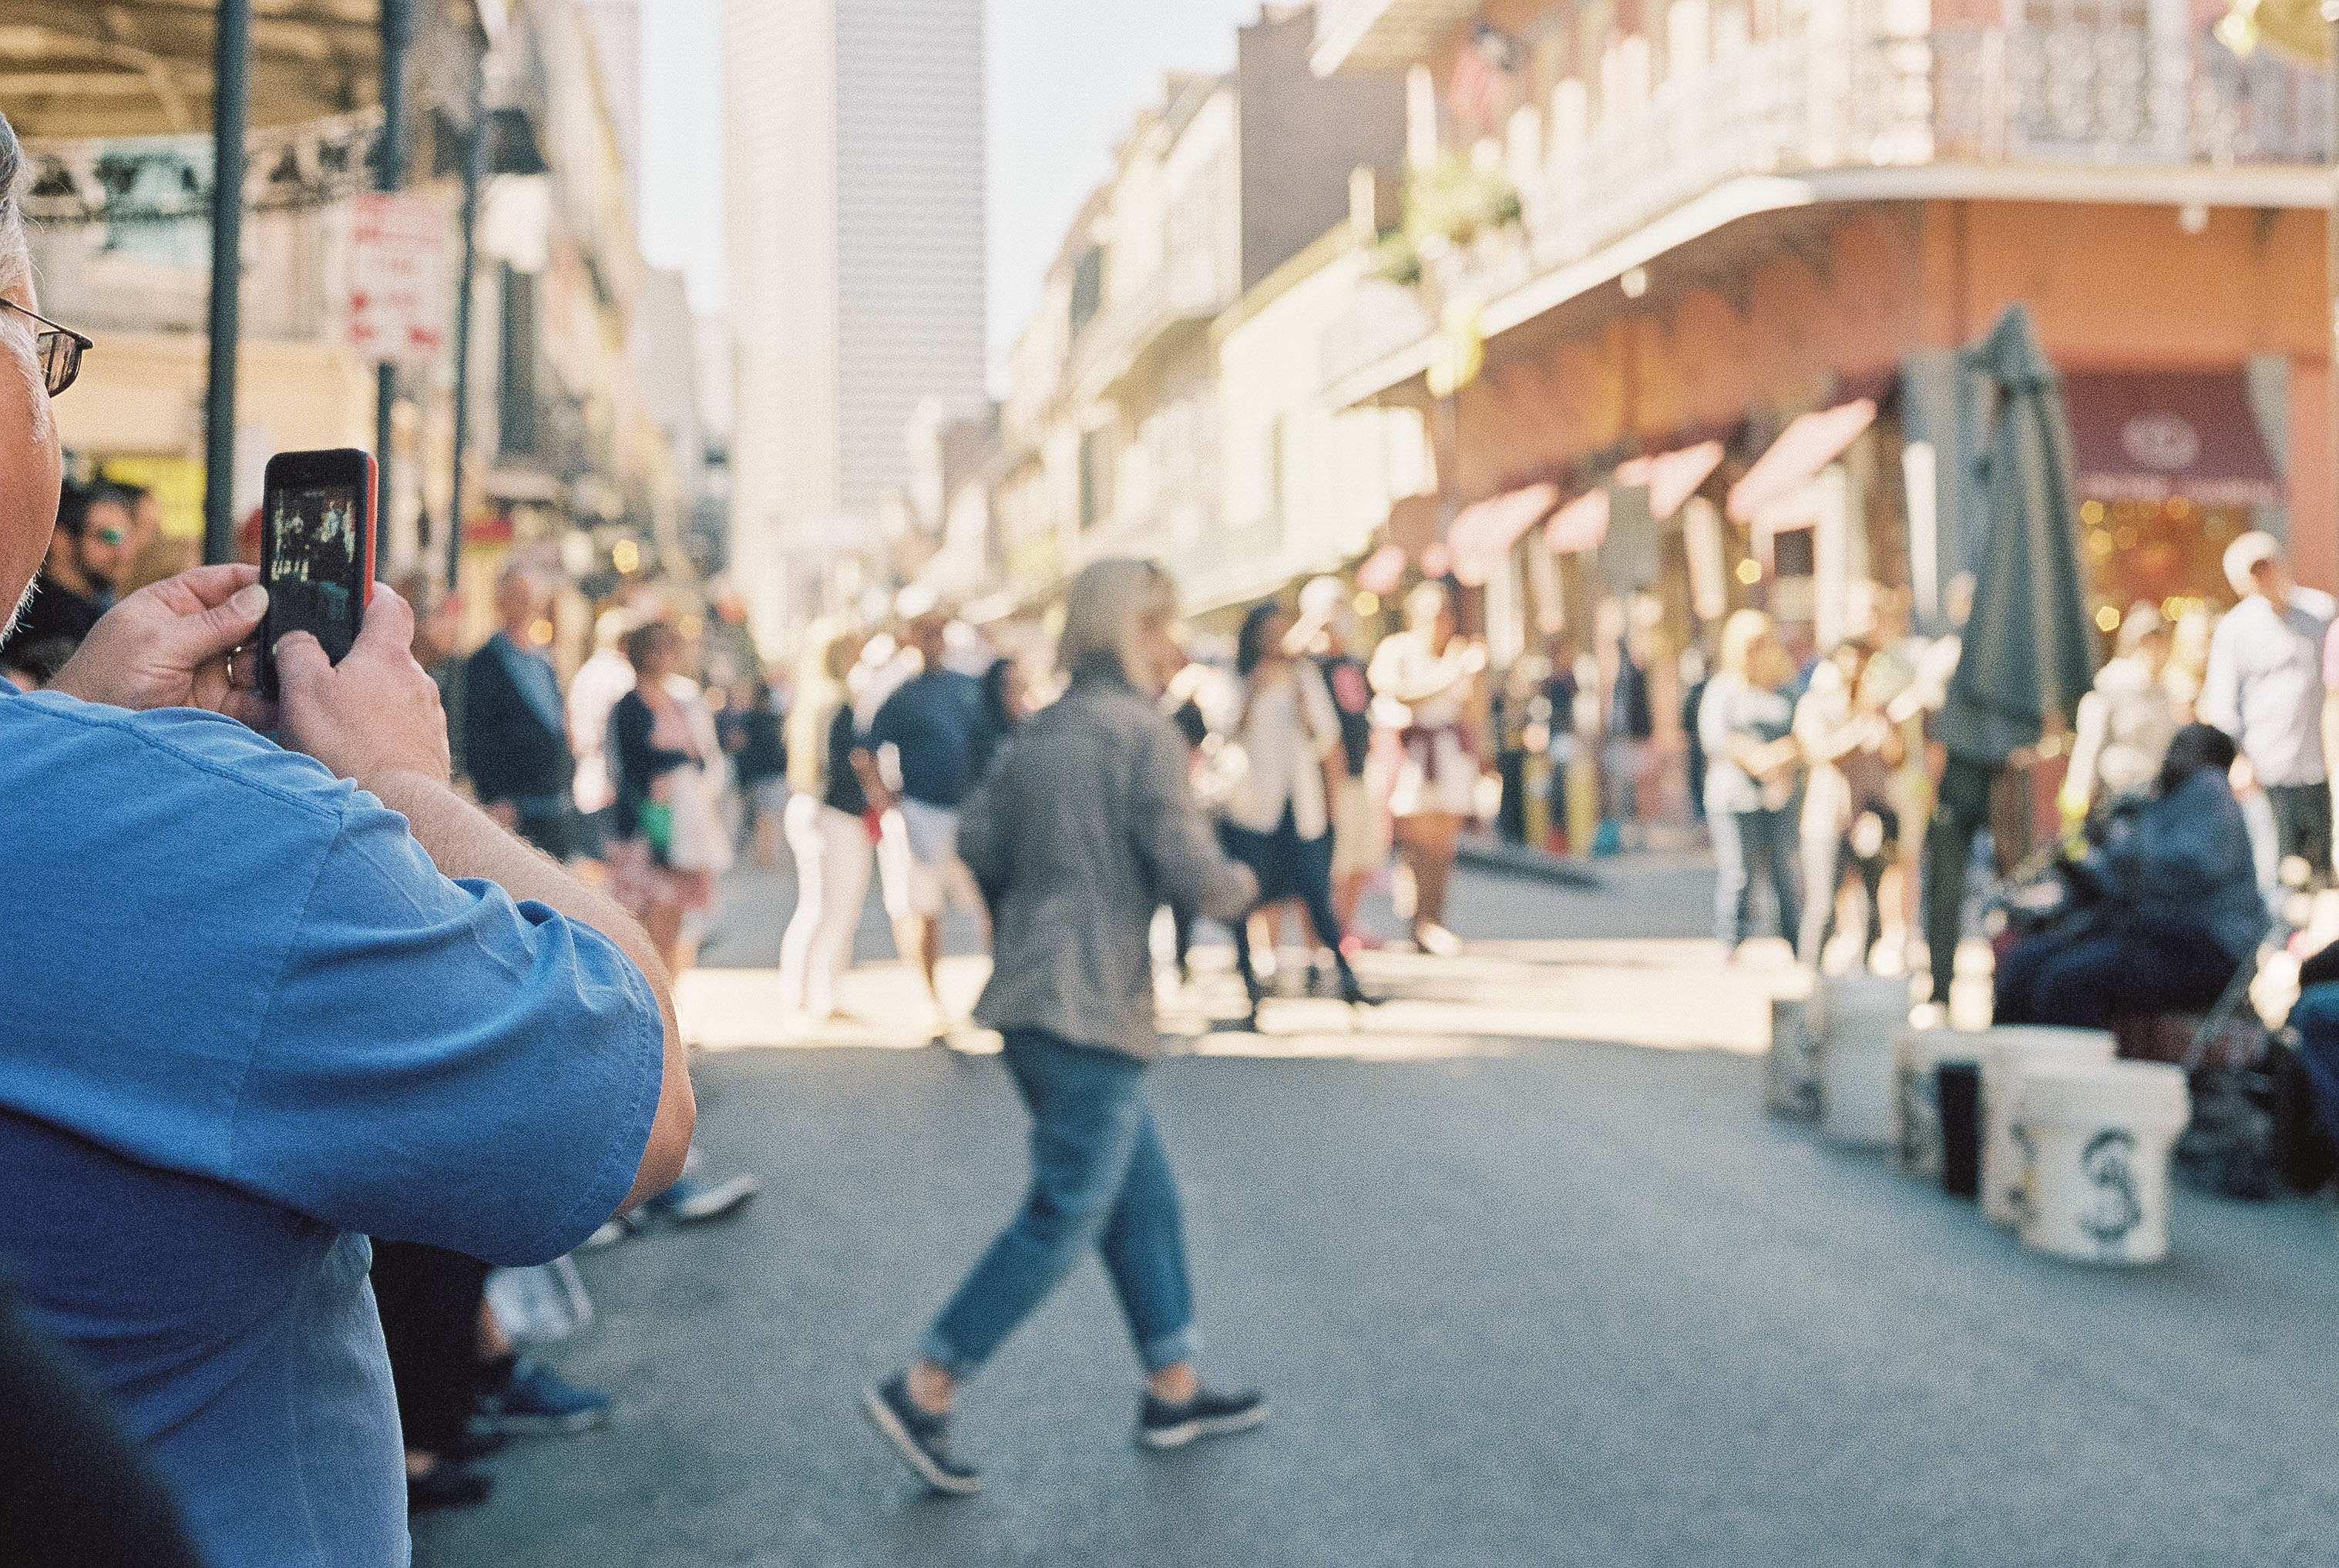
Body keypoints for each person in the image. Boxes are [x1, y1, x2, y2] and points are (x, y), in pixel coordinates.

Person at [0, 112, 694, 1562]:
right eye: (39, 338)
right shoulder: (243, 845)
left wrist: (68, 729)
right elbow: (637, 1105)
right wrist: (400, 785)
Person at [862, 559, 1265, 1496]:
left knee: (1141, 1197)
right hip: (1087, 1003)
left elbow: (977, 841)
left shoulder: (1039, 728)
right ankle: (925, 1384)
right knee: (1064, 1211)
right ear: (1128, 631)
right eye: (1161, 629)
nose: (1173, 649)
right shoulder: (1145, 734)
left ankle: (1172, 1385)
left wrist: (1043, 892)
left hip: (1034, 998)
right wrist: (1251, 883)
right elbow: (1190, 870)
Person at [1994, 724, 2265, 1029]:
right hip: (2157, 938)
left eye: (2183, 749)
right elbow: (2122, 880)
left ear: (2210, 760)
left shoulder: (2210, 789)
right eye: (2172, 747)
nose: (2170, 757)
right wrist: (2082, 867)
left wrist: (2120, 840)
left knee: (2067, 981)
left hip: (2199, 950)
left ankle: (2072, 1072)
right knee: (2023, 964)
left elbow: (2190, 865)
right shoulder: (2167, 800)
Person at [1214, 598, 1373, 1021]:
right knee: (1245, 894)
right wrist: (1251, 694)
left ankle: (1345, 976)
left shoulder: (1304, 676)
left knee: (1316, 891)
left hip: (1298, 806)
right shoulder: (1239, 678)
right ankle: (1249, 987)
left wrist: (1305, 708)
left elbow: (1326, 738)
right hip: (1252, 808)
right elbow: (1226, 733)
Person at [854, 595, 989, 1041]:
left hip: (970, 810)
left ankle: (997, 991)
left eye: (939, 630)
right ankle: (931, 998)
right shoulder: (901, 693)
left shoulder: (968, 686)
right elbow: (865, 750)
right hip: (923, 811)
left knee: (987, 901)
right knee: (925, 908)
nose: (934, 640)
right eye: (925, 631)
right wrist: (882, 795)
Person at [2201, 531, 2334, 885]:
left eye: (2267, 567)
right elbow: (2222, 700)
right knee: (2273, 869)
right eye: (2254, 573)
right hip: (2267, 766)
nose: (2264, 578)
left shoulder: (2321, 612)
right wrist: (2237, 758)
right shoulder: (2235, 629)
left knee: (2325, 867)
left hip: (2320, 764)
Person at [1369, 581, 1487, 955]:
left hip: (1450, 755)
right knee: (1416, 842)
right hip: (1413, 755)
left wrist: (1473, 678)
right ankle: (1418, 921)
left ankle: (1435, 919)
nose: (1439, 623)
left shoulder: (1458, 654)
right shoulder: (1396, 650)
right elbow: (1397, 692)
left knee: (1442, 843)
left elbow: (1473, 712)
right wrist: (1452, 672)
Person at [608, 621, 723, 972]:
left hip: (684, 825)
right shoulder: (628, 707)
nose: (662, 656)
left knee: (676, 921)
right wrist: (677, 757)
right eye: (655, 648)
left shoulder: (682, 701)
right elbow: (632, 766)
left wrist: (678, 760)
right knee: (645, 923)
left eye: (668, 647)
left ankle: (672, 1003)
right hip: (646, 827)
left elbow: (704, 757)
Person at [776, 625, 876, 1024]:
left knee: (821, 910)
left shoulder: (812, 704)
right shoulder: (839, 706)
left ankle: (818, 993)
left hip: (812, 810)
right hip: (834, 816)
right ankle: (805, 995)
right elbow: (844, 768)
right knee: (829, 911)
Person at [1701, 609, 1803, 957]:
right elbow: (1716, 738)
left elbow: (1803, 733)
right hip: (1734, 795)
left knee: (1784, 871)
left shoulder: (1787, 687)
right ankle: (1730, 939)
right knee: (1738, 871)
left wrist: (1778, 759)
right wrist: (1755, 758)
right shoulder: (1723, 688)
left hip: (1779, 792)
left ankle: (1796, 941)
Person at [462, 565, 577, 857]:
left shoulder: (543, 662)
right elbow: (476, 734)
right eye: (518, 596)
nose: (526, 605)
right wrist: (494, 795)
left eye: (531, 598)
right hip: (515, 810)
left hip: (554, 807)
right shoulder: (483, 663)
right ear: (500, 602)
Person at [1294, 576, 1382, 946]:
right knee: (1329, 864)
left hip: (1360, 774)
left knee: (1362, 858)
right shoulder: (1306, 665)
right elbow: (1283, 653)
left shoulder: (1355, 662)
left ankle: (1344, 926)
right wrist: (1314, 624)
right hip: (1323, 780)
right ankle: (1320, 937)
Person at [2062, 603, 2177, 824]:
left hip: (2158, 801)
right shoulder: (2110, 687)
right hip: (2118, 800)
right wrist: (2077, 804)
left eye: (2162, 641)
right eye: (2150, 641)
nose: (2158, 649)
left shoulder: (2166, 691)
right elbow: (2089, 746)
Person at [0, 482, 129, 670]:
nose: (122, 552)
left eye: (123, 537)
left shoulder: (92, 609)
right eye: (108, 537)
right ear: (61, 540)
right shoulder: (41, 619)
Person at [569, 606, 640, 861]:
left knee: (589, 859)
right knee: (612, 859)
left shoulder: (585, 673)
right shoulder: (624, 676)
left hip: (584, 773)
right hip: (611, 778)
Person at [728, 673, 789, 867]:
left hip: (755, 775)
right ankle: (767, 855)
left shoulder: (748, 719)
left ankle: (763, 855)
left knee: (760, 817)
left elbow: (736, 743)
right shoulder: (776, 720)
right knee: (769, 817)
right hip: (773, 774)